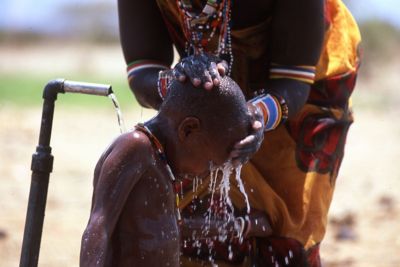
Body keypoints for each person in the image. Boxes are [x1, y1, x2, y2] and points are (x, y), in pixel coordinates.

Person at [117, 0, 361, 266]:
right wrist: (178, 84)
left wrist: (256, 116)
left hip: (310, 82)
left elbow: (293, 80)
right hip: (207, 93)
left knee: (287, 229)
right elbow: (142, 70)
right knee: (190, 218)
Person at [80, 76, 269, 267]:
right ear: (188, 129)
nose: (207, 173)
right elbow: (99, 225)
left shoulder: (164, 165)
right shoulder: (136, 147)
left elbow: (168, 228)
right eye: (211, 163)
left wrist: (243, 225)